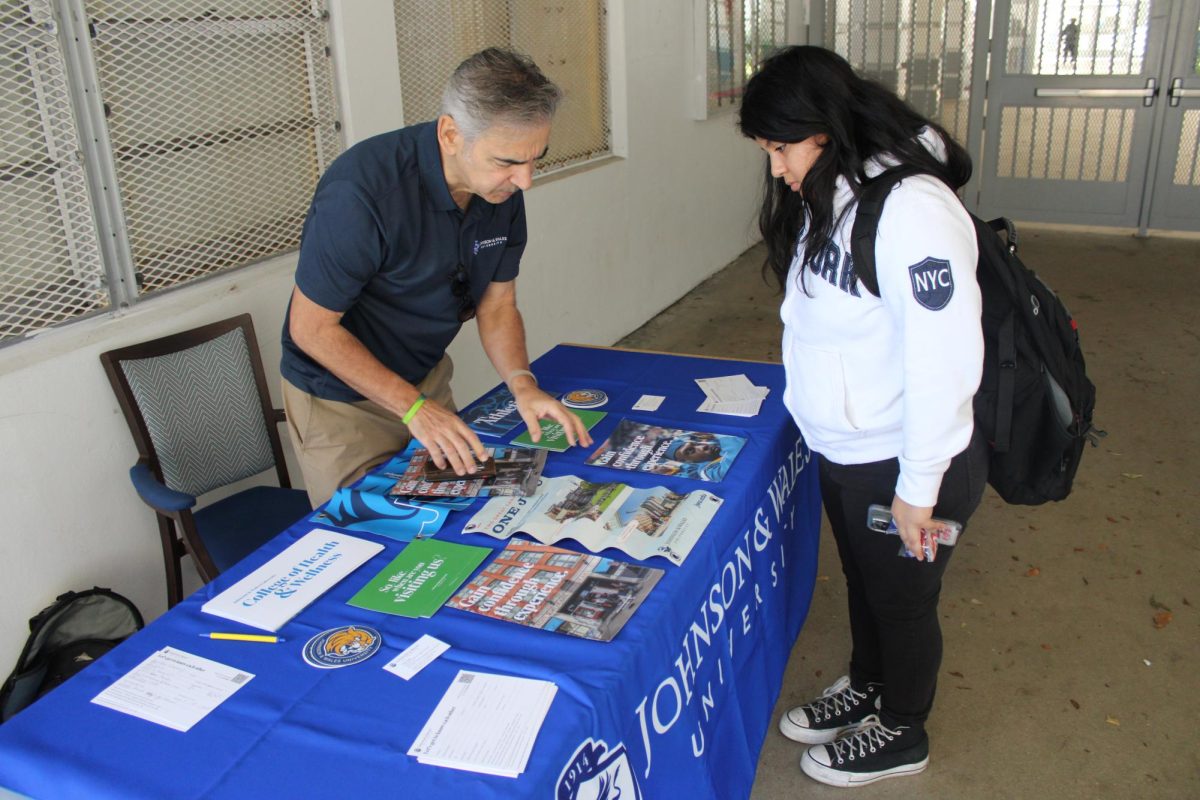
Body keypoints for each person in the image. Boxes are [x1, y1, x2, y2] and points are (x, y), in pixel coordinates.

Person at [739, 46, 987, 787]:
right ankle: (870, 688)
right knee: (866, 580)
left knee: (904, 599)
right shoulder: (835, 192)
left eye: (781, 148)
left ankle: (904, 729)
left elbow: (944, 358)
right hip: (850, 451)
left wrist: (918, 485)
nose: (777, 168)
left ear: (823, 124)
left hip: (907, 461)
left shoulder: (912, 208)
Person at [281, 48, 591, 507]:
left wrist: (522, 384)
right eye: (507, 162)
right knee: (373, 540)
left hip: (423, 379)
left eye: (535, 159)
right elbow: (310, 329)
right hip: (341, 403)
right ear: (450, 134)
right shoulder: (361, 192)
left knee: (448, 514)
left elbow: (497, 305)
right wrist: (412, 408)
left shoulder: (500, 189)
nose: (525, 181)